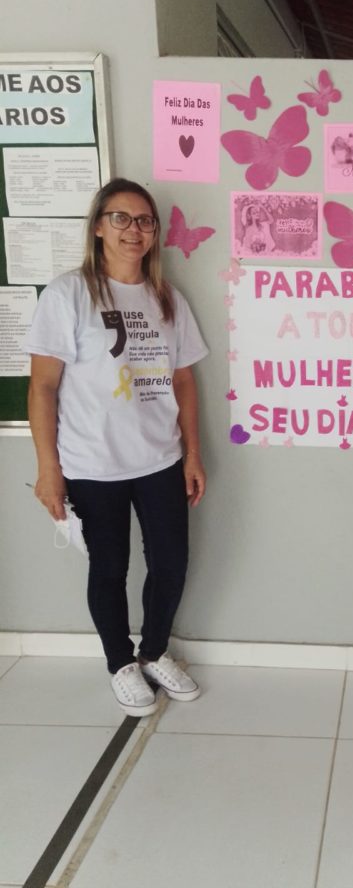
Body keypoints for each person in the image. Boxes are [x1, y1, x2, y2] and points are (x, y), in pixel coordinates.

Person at [26, 178, 208, 717]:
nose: (135, 230)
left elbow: (183, 382)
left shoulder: (167, 298)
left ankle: (153, 652)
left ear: (155, 233)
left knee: (171, 563)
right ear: (99, 226)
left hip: (160, 460)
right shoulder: (68, 295)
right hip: (90, 464)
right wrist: (47, 470)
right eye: (121, 218)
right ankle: (119, 662)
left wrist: (193, 453)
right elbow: (42, 386)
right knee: (109, 567)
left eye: (145, 220)